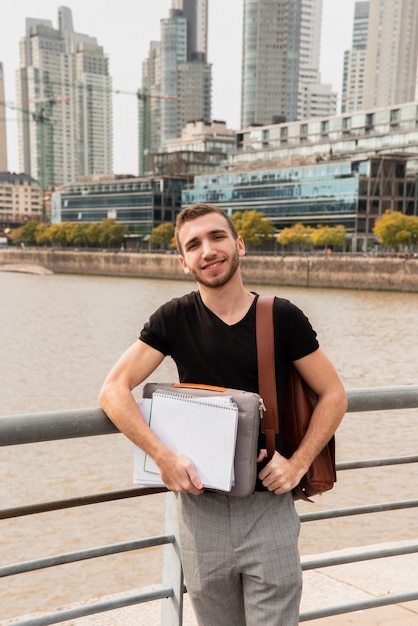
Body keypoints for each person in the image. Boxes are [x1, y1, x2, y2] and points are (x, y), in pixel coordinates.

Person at [98, 203, 347, 625]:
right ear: (183, 262)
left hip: (269, 508)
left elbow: (334, 394)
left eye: (217, 237)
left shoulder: (281, 316)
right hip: (200, 512)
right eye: (193, 244)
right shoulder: (174, 317)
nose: (207, 250)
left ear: (239, 244)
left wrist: (298, 463)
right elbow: (113, 391)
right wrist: (163, 458)